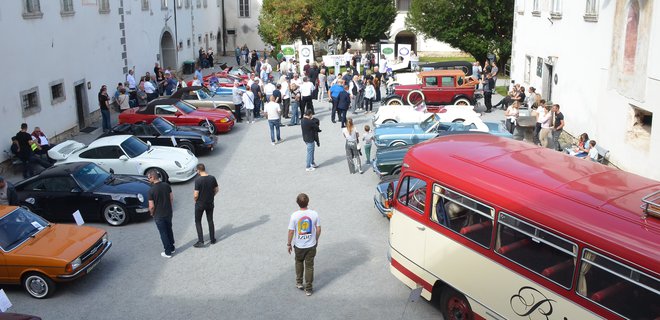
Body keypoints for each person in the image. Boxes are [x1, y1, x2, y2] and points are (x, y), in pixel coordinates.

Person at [287, 193, 321, 296]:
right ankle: (309, 289)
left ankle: (299, 282)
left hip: (299, 246)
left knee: (299, 262)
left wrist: (289, 244)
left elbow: (291, 232)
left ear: (297, 203)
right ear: (308, 201)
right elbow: (318, 228)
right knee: (309, 266)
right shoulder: (314, 214)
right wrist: (316, 239)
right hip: (311, 245)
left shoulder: (294, 215)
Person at [147, 169, 175, 258]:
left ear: (152, 177)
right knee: (169, 229)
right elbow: (171, 198)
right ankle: (172, 247)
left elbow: (151, 206)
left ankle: (168, 252)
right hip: (168, 213)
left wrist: (151, 213)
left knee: (163, 233)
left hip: (159, 215)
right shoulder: (166, 185)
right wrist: (169, 208)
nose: (148, 180)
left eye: (149, 178)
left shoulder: (151, 191)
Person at [193, 163, 219, 248]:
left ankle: (201, 241)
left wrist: (195, 200)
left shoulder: (198, 180)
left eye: (196, 170)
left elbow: (196, 194)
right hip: (210, 203)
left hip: (200, 204)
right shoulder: (212, 178)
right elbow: (216, 189)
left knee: (198, 221)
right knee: (210, 220)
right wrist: (212, 196)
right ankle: (212, 239)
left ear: (199, 170)